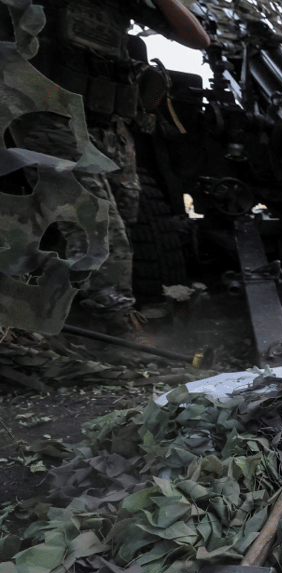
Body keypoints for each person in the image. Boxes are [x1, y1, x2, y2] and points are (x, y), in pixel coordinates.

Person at [7, 0, 209, 330]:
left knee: (124, 217)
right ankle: (115, 327)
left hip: (107, 123)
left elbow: (197, 39)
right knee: (97, 224)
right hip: (48, 115)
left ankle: (66, 300)